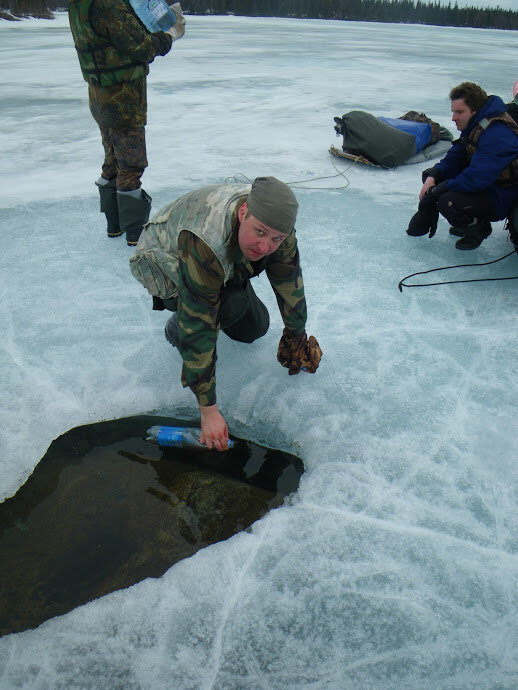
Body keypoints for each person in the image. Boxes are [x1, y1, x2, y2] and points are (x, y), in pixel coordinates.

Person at [129, 177, 322, 451]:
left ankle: (225, 290)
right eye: (260, 232)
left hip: (221, 257)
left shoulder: (278, 229)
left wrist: (296, 336)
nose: (266, 246)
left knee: (255, 328)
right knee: (222, 305)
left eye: (276, 239)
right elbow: (199, 321)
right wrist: (208, 411)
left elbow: (288, 280)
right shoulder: (206, 240)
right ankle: (176, 328)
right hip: (167, 258)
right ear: (244, 213)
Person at [68, 0, 185, 245]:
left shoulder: (79, 3)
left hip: (99, 93)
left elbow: (117, 38)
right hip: (123, 97)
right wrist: (170, 34)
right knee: (130, 164)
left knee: (112, 160)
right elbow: (140, 47)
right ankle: (135, 233)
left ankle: (115, 226)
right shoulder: (108, 4)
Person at [406, 82, 518, 250]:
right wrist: (434, 174)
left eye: (459, 112)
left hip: (505, 194)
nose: (453, 118)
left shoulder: (497, 133)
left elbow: (478, 177)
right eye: (453, 112)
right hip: (490, 186)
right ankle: (472, 221)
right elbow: (457, 154)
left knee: (448, 201)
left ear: (475, 110)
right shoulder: (477, 123)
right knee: (440, 181)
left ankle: (478, 226)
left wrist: (439, 190)